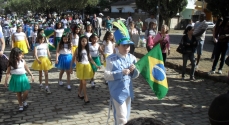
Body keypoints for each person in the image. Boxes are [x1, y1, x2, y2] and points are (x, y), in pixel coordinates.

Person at [104, 21, 140, 124]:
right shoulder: (111, 59)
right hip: (117, 93)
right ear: (117, 46)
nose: (126, 48)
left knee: (126, 116)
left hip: (128, 93)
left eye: (128, 45)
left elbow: (136, 76)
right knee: (121, 119)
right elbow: (106, 76)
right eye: (124, 45)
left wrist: (135, 70)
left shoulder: (132, 58)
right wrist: (120, 72)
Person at [70, 35, 99, 104]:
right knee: (84, 82)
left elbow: (90, 58)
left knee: (82, 81)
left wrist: (96, 65)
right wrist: (71, 68)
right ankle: (86, 97)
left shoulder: (87, 49)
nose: (84, 42)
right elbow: (73, 59)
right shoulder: (77, 49)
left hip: (87, 65)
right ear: (80, 41)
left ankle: (79, 93)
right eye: (82, 41)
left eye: (85, 41)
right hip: (80, 66)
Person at [4, 47, 34, 112]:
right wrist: (6, 81)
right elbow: (8, 73)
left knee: (26, 92)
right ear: (15, 56)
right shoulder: (11, 63)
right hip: (16, 79)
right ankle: (20, 105)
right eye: (20, 55)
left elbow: (27, 68)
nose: (21, 56)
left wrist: (31, 75)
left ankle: (24, 100)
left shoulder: (23, 61)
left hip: (23, 78)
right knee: (19, 93)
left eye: (21, 55)